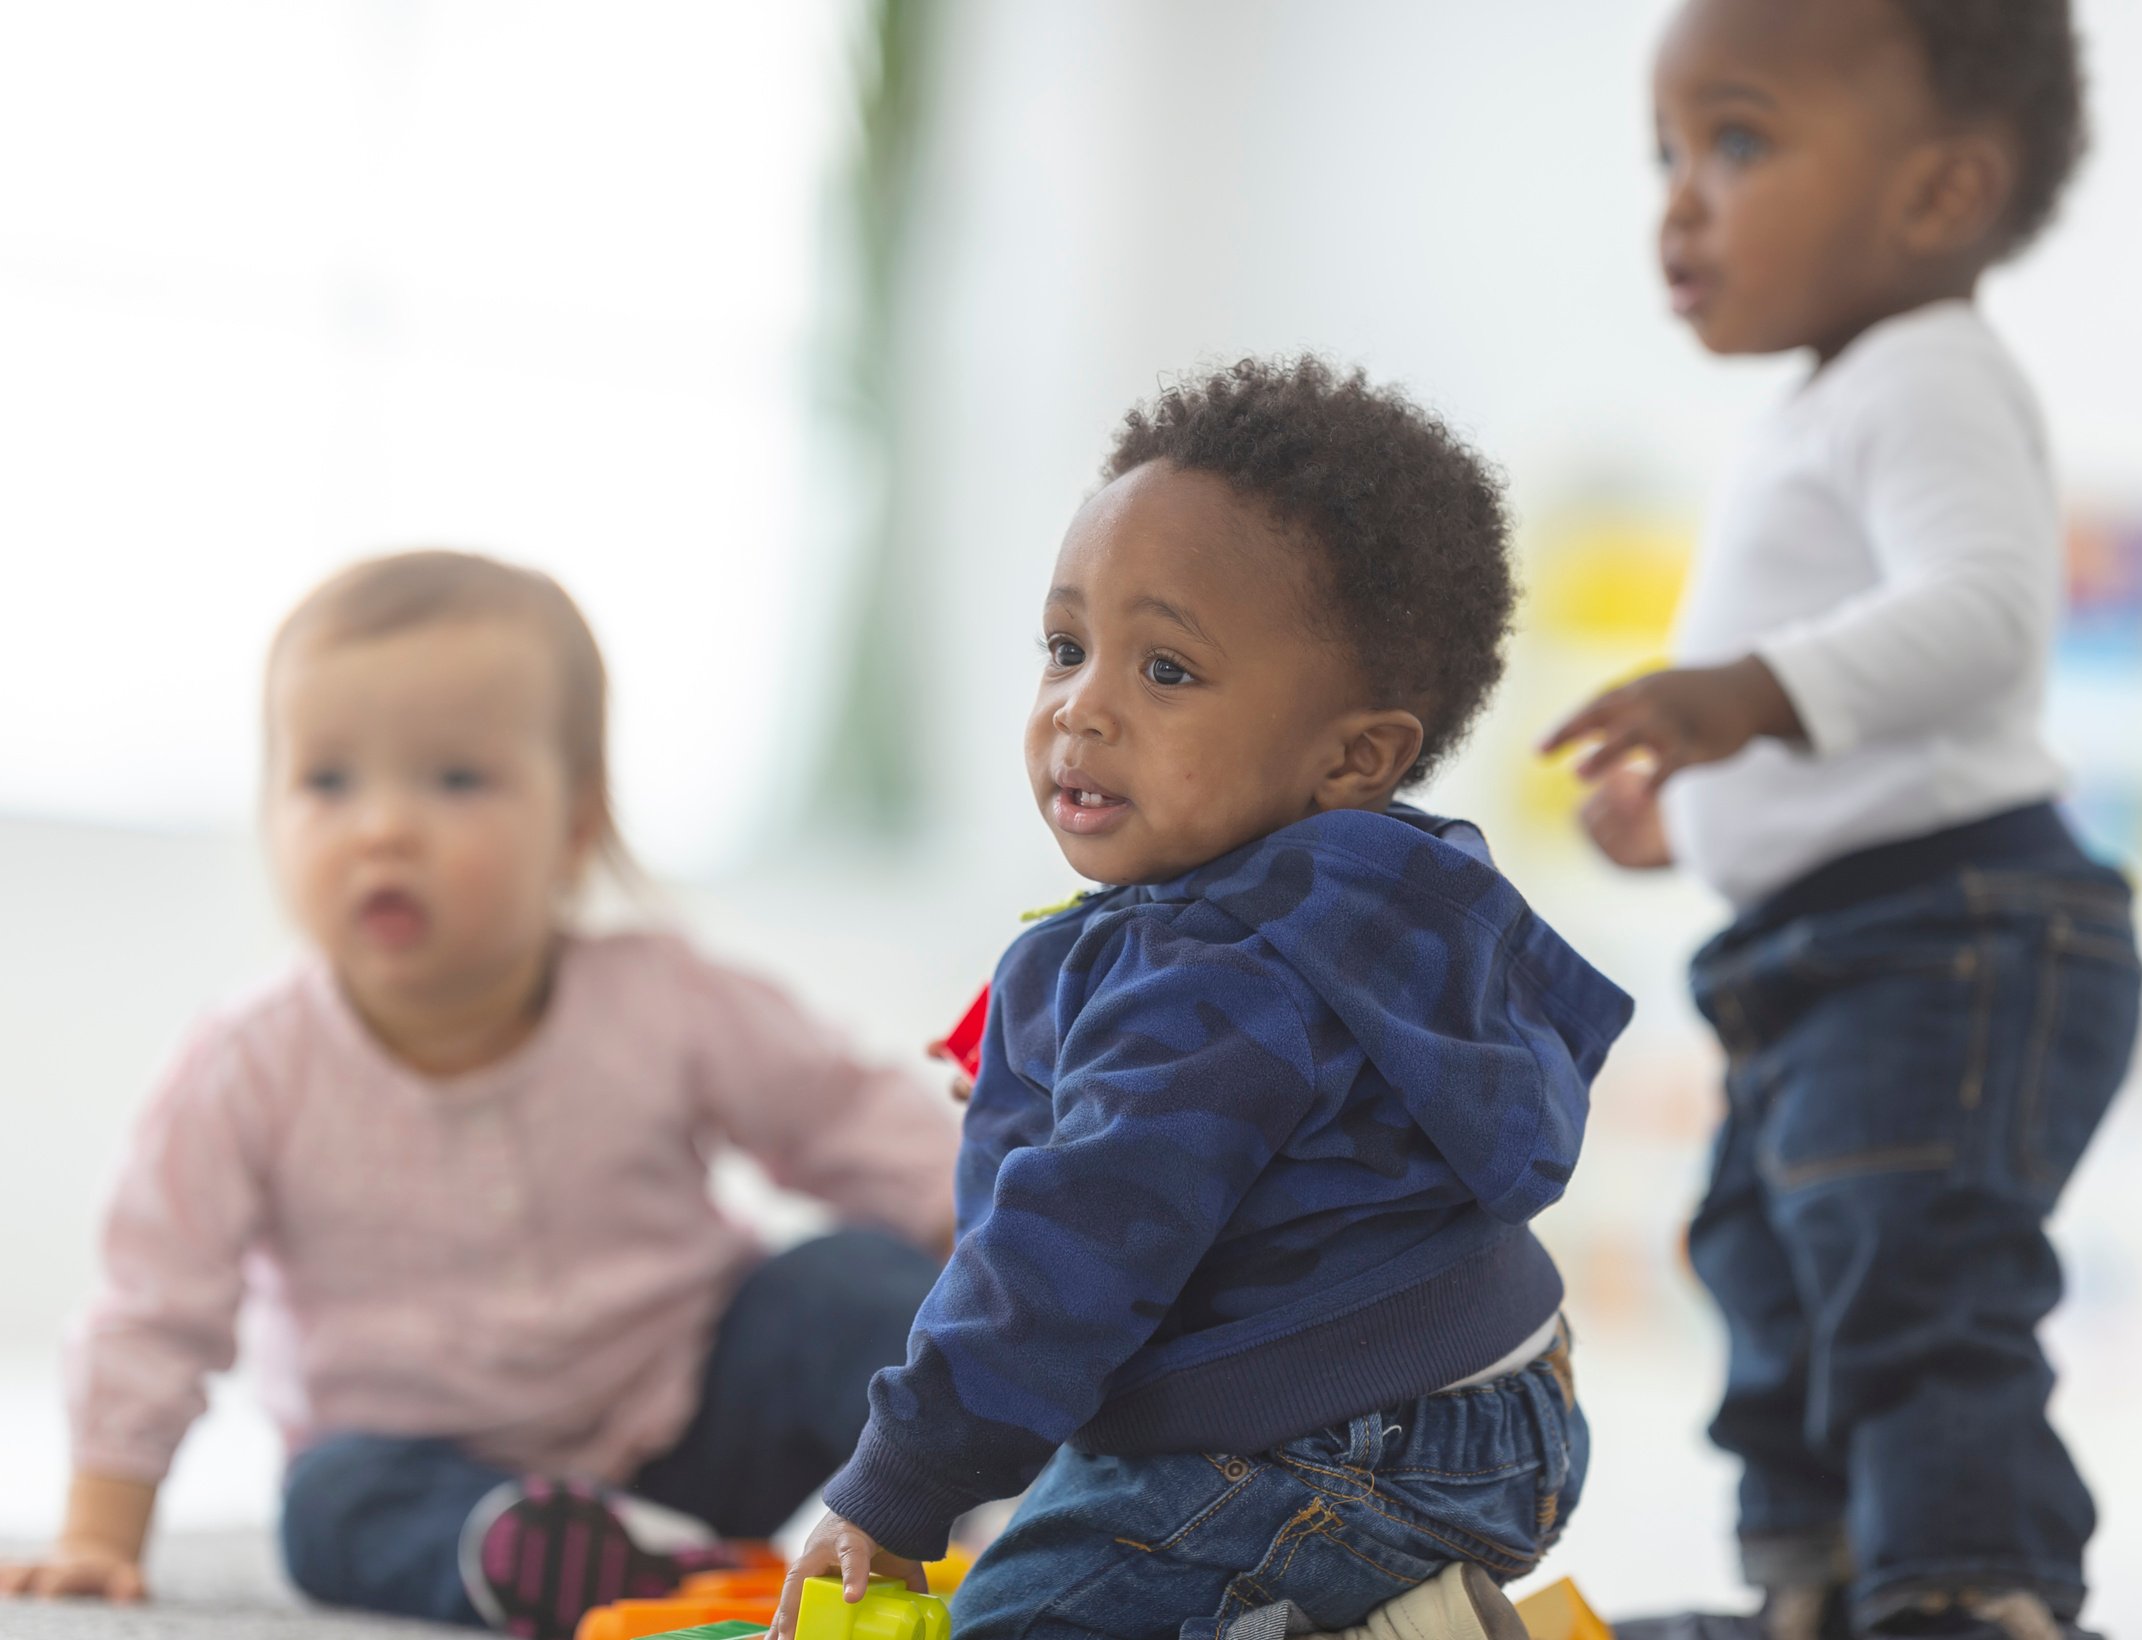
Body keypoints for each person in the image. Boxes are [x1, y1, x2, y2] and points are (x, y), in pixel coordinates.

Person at [771, 358, 1634, 1640]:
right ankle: (1388, 1616)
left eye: (1165, 670)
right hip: (1500, 1401)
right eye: (1067, 646)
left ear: (1354, 753)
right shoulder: (1369, 908)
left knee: (1017, 1612)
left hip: (1346, 1437)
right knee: (1086, 1515)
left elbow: (1063, 1261)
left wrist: (902, 1484)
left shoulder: (1211, 971)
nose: (1082, 707)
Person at [0, 551, 959, 1638]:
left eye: (454, 780)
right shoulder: (247, 1065)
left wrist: (980, 1225)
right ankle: (579, 1563)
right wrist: (100, 1528)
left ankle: (974, 1498)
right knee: (327, 1507)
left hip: (692, 1411)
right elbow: (153, 1303)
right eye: (327, 781)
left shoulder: (665, 997)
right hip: (437, 1467)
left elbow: (843, 1111)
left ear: (574, 824)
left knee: (848, 1284)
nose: (382, 828)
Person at [1541, 4, 2140, 1638]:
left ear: (1937, 193)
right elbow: (1859, 709)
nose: (1677, 199)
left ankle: (1962, 1589)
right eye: (1663, 153)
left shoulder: (1922, 373)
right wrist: (1699, 810)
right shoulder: (1826, 399)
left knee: (1906, 1271)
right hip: (1842, 940)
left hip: (1947, 930)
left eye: (1734, 145)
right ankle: (1811, 1581)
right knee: (1765, 1259)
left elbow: (1982, 620)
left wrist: (1733, 701)